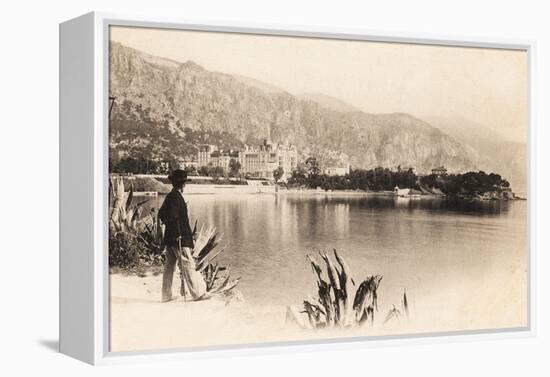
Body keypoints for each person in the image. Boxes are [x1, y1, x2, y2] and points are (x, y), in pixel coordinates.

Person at [158, 169, 195, 302]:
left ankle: (166, 295)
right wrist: (178, 233)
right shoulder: (176, 198)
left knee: (169, 267)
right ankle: (197, 293)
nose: (185, 185)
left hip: (170, 238)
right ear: (181, 184)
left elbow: (161, 214)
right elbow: (173, 218)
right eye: (184, 183)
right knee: (187, 264)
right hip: (179, 238)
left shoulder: (170, 196)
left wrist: (169, 228)